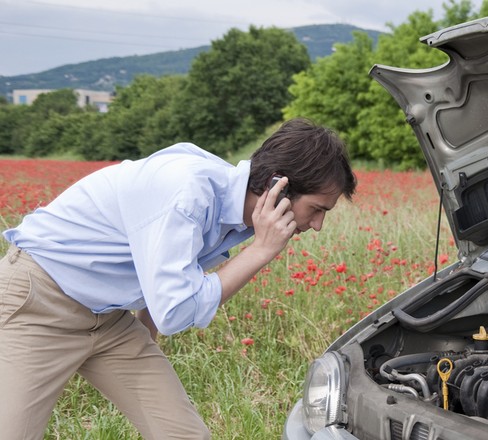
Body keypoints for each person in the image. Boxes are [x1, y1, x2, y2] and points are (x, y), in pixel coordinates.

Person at [0, 118, 357, 439]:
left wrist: (145, 335)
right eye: (317, 209)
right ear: (277, 188)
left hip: (107, 320)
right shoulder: (189, 193)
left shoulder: (234, 208)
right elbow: (176, 311)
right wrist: (261, 251)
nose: (317, 225)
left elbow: (166, 270)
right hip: (39, 303)